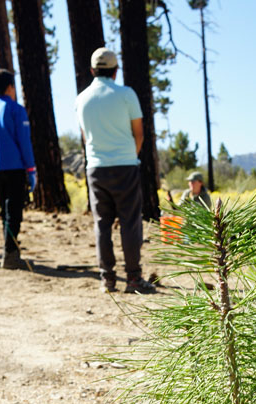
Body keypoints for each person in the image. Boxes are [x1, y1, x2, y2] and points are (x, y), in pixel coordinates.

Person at [75, 47, 150, 294]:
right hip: (125, 165)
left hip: (96, 168)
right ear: (116, 71)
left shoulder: (81, 99)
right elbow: (138, 133)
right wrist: (130, 155)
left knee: (102, 224)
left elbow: (86, 138)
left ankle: (107, 279)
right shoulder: (127, 95)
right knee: (130, 223)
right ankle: (133, 279)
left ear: (92, 70)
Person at [0, 69, 35, 269]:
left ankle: (10, 249)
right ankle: (10, 253)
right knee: (14, 210)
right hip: (14, 166)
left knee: (5, 210)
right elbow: (24, 141)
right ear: (10, 87)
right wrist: (31, 170)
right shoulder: (16, 109)